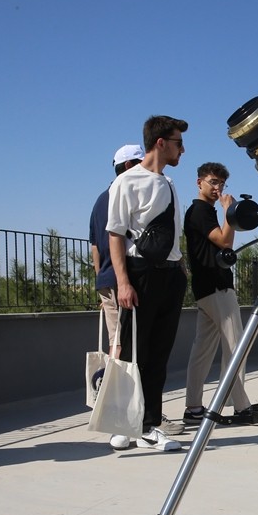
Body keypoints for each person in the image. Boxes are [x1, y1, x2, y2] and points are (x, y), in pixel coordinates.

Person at [106, 115, 190, 452]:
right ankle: (125, 423)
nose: (182, 150)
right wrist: (124, 282)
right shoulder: (128, 181)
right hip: (141, 273)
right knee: (133, 351)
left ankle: (148, 424)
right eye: (178, 143)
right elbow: (115, 234)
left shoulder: (167, 183)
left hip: (169, 275)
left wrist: (180, 267)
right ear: (160, 143)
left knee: (159, 352)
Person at [182, 162, 252, 421]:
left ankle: (193, 408)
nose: (218, 187)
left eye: (221, 183)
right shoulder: (201, 211)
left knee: (202, 351)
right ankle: (241, 405)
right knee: (236, 348)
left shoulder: (199, 211)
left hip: (205, 287)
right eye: (213, 182)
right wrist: (230, 213)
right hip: (217, 286)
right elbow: (224, 241)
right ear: (199, 182)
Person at [90, 144, 144, 351]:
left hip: (106, 278)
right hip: (125, 279)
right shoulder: (126, 195)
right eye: (141, 165)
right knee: (129, 344)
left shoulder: (100, 199)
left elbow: (95, 245)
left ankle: (113, 382)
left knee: (116, 341)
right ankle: (122, 384)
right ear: (129, 165)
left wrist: (101, 277)